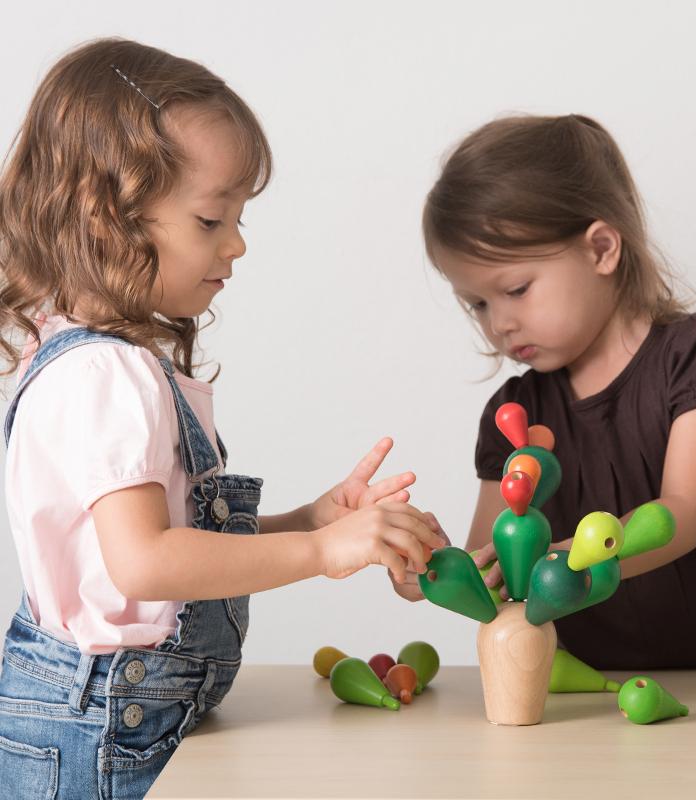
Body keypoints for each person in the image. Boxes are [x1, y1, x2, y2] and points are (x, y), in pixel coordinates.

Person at [0, 38, 445, 798]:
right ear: (104, 216)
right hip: (106, 733)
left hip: (116, 718)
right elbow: (145, 563)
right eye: (211, 219)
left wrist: (308, 520)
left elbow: (163, 548)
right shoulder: (106, 373)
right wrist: (322, 552)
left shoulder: (86, 357)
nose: (236, 245)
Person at [391, 113, 696, 669]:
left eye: (517, 289)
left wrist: (563, 560)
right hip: (592, 685)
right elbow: (494, 557)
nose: (499, 323)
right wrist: (437, 570)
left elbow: (684, 514)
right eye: (478, 304)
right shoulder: (514, 413)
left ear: (602, 249)